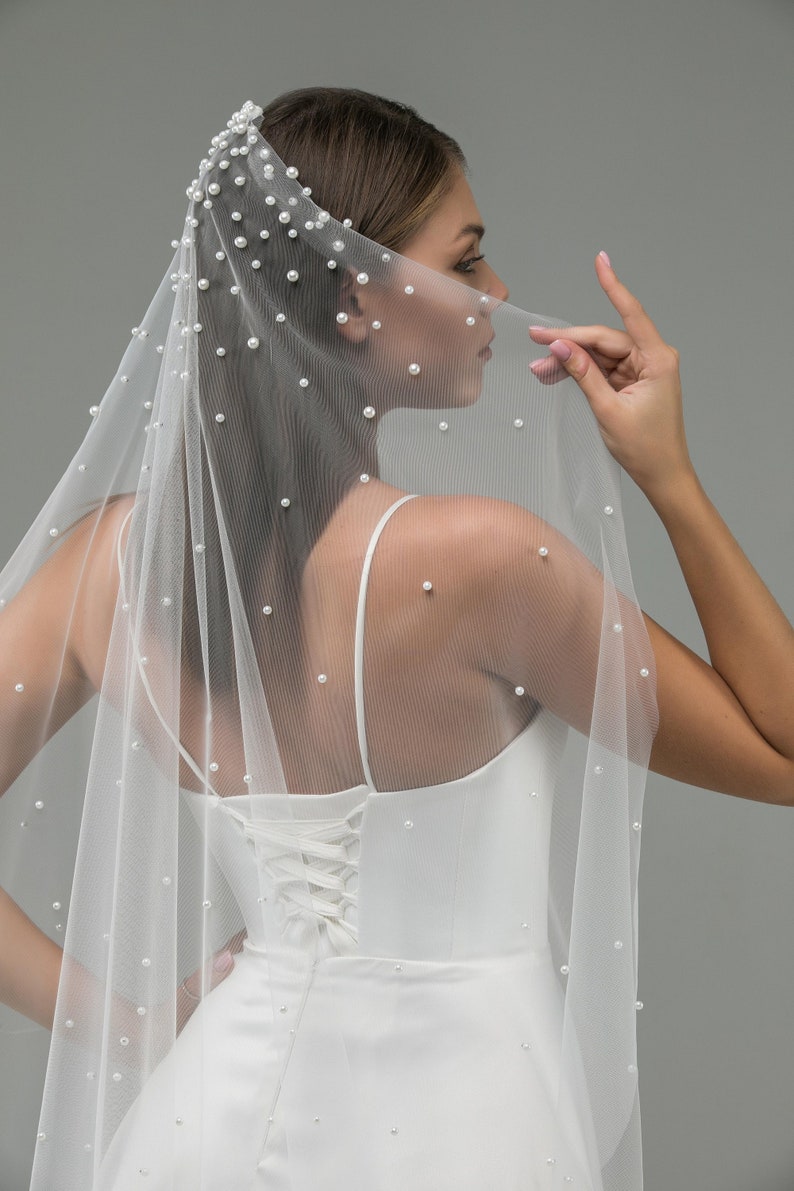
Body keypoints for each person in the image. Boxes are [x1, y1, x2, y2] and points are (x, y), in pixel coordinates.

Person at [0, 88, 791, 1191]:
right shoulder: (480, 564)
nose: (498, 295)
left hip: (202, 1131)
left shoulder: (103, 567)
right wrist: (670, 482)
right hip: (464, 1134)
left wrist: (127, 1025)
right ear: (356, 304)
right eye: (465, 262)